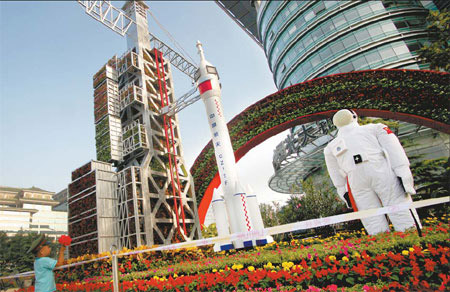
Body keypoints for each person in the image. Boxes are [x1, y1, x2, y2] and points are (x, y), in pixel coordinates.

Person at [324, 109, 420, 235]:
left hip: (356, 182)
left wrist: (344, 192)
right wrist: (404, 174)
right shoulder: (376, 128)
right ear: (354, 117)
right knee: (399, 208)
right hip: (381, 172)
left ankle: (384, 247)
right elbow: (395, 151)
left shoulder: (330, 148)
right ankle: (413, 240)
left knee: (371, 218)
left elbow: (336, 176)